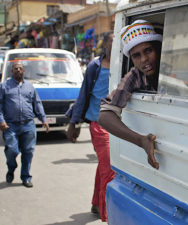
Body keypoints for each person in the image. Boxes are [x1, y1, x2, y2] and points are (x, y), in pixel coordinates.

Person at [98, 20, 162, 170]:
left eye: (148, 51)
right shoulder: (135, 76)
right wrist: (141, 141)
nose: (144, 59)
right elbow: (105, 115)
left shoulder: (174, 67)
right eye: (136, 56)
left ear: (158, 49)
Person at [65, 31, 115, 222]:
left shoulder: (123, 64)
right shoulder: (95, 66)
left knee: (104, 166)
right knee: (109, 169)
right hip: (98, 124)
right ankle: (107, 215)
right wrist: (73, 123)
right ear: (105, 46)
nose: (116, 45)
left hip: (117, 124)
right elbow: (83, 95)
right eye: (112, 42)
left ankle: (96, 203)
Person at [0, 62, 49, 188]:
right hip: (10, 125)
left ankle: (26, 177)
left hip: (28, 125)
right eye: (15, 68)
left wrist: (43, 119)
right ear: (12, 71)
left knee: (28, 151)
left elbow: (37, 103)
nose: (18, 70)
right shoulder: (4, 86)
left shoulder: (30, 87)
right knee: (12, 149)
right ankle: (11, 168)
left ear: (24, 71)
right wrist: (1, 121)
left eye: (20, 68)